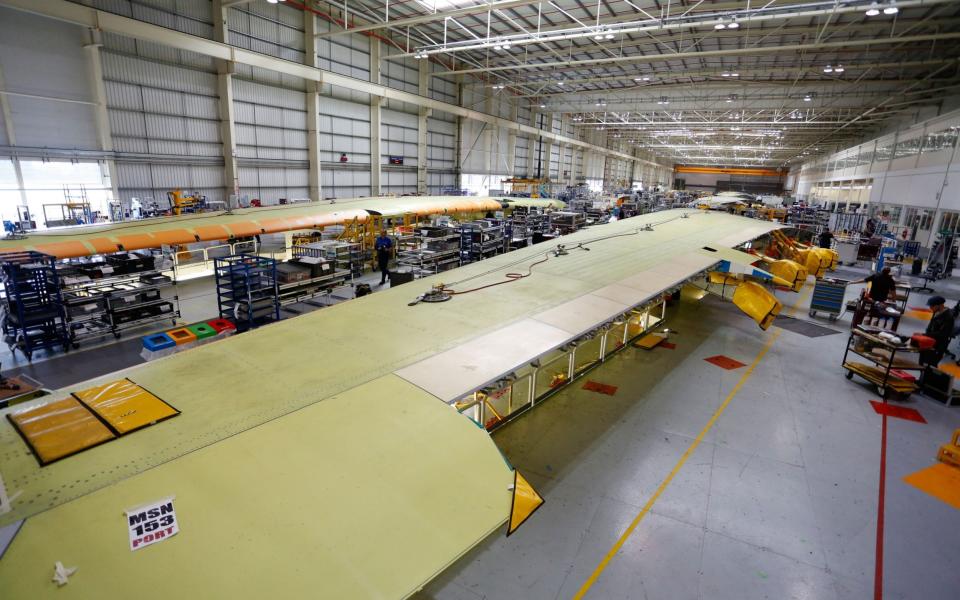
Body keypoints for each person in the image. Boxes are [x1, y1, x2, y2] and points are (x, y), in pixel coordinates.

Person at [921, 295, 954, 366]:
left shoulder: (948, 317)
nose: (930, 308)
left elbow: (943, 334)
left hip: (938, 345)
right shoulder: (936, 312)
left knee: (930, 365)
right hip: (929, 341)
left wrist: (926, 335)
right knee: (922, 362)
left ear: (940, 305)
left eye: (932, 306)